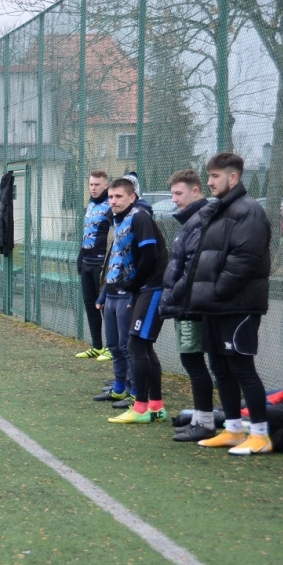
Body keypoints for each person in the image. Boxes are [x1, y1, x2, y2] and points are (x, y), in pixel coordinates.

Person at [187, 152, 273, 455]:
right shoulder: (220, 209)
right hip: (216, 304)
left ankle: (260, 434)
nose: (209, 182)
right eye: (209, 176)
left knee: (241, 367)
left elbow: (245, 259)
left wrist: (220, 290)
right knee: (219, 367)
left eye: (214, 176)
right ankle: (234, 430)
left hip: (237, 305)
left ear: (233, 178)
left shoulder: (248, 211)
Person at [103, 177, 169, 425]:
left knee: (135, 345)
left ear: (132, 197)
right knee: (144, 347)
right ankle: (156, 406)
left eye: (118, 196)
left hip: (153, 288)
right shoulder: (120, 220)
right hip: (143, 289)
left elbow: (150, 256)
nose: (113, 201)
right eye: (110, 197)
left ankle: (140, 407)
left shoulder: (140, 216)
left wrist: (133, 285)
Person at [158, 170, 217, 442]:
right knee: (193, 359)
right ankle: (205, 417)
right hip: (187, 301)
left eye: (178, 193)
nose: (174, 199)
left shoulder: (200, 219)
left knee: (193, 359)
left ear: (196, 191)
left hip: (193, 304)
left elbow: (192, 268)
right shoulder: (191, 220)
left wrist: (174, 296)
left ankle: (205, 421)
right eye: (172, 194)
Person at [75, 170, 111, 359]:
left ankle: (112, 347)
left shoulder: (110, 205)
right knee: (90, 305)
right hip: (87, 264)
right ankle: (97, 346)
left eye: (97, 184)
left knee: (104, 306)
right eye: (91, 184)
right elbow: (86, 233)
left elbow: (114, 237)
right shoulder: (89, 205)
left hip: (101, 265)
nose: (93, 188)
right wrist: (81, 257)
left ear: (106, 185)